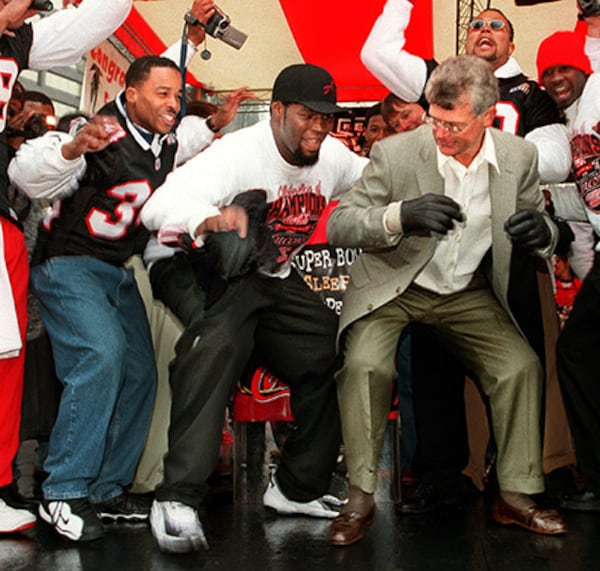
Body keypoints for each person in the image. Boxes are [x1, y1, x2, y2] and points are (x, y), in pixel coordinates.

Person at [8, 46, 250, 541]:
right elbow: (26, 172)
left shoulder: (159, 136)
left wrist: (212, 123)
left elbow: (178, 144)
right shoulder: (99, 131)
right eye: (163, 94)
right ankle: (64, 489)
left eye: (178, 95)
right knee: (101, 356)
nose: (174, 103)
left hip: (117, 268)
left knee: (140, 372)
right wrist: (72, 149)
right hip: (69, 264)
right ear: (131, 93)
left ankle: (106, 489)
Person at [326, 54, 567, 546]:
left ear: (486, 115)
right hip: (396, 286)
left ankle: (516, 495)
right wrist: (399, 216)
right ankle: (360, 496)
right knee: (366, 366)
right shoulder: (396, 153)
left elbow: (541, 228)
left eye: (453, 124)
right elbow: (340, 224)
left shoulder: (518, 158)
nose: (441, 133)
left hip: (465, 293)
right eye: (435, 119)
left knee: (520, 366)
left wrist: (540, 232)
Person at [140, 62, 368, 554]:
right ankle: (176, 498)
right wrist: (210, 220)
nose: (318, 128)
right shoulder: (238, 154)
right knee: (217, 343)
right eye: (307, 115)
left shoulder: (332, 156)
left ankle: (296, 487)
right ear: (278, 109)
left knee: (336, 348)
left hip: (268, 274)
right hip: (189, 264)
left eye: (326, 118)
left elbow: (379, 180)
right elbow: (157, 207)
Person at [0, 0, 134, 538]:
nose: (29, 9)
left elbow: (89, 24)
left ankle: (4, 483)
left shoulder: (15, 41)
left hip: (4, 225)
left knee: (7, 360)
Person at [537, 29, 600, 511]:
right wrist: (543, 199)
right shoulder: (567, 128)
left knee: (578, 351)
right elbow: (584, 197)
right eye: (548, 72)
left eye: (565, 68)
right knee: (578, 352)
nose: (557, 78)